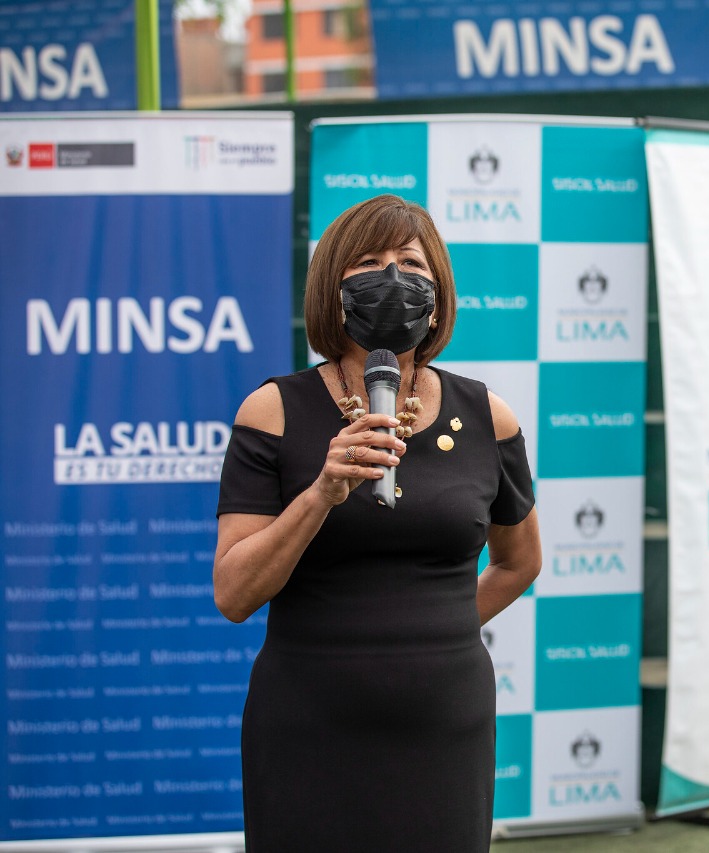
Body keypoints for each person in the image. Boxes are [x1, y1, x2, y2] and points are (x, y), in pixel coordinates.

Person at [213, 194, 541, 851]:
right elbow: (235, 592)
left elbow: (519, 561)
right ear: (332, 287)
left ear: (439, 290)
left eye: (411, 263)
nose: (392, 277)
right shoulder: (274, 411)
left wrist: (435, 629)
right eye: (368, 262)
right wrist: (322, 493)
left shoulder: (489, 415)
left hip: (445, 722)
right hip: (310, 719)